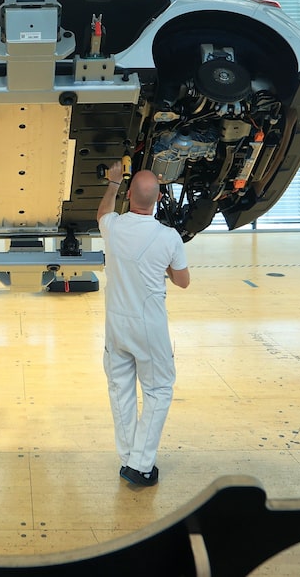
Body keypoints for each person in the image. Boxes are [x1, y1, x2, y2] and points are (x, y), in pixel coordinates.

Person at [97, 159, 190, 487]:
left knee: (119, 388)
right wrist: (162, 265)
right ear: (159, 198)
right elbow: (182, 281)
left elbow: (102, 214)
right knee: (158, 390)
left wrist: (113, 183)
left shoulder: (114, 227)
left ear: (129, 197)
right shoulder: (169, 237)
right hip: (149, 327)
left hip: (117, 325)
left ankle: (128, 459)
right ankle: (141, 465)